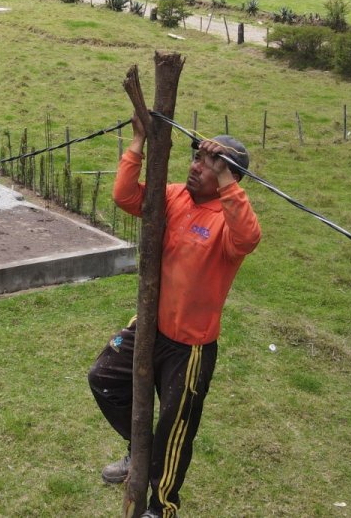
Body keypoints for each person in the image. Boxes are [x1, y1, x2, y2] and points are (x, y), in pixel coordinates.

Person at [88, 115, 261, 518]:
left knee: (174, 432)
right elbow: (126, 197)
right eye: (196, 158)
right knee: (104, 377)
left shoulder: (226, 222)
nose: (195, 166)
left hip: (191, 347)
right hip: (149, 326)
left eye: (206, 163)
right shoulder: (174, 197)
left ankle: (161, 507)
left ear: (227, 177)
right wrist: (137, 142)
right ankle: (138, 451)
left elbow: (249, 238)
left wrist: (227, 181)